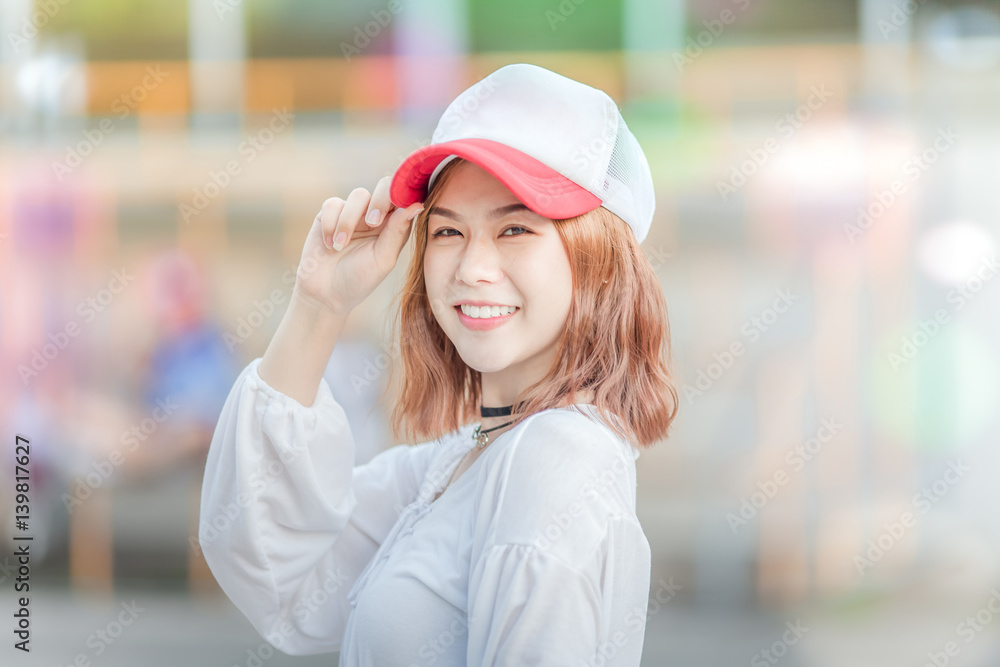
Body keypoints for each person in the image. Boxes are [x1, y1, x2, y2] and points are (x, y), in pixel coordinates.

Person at [199, 63, 679, 666]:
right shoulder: (464, 458)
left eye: (515, 229)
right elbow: (281, 576)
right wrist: (320, 305)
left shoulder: (556, 457)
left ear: (597, 257)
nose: (472, 268)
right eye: (449, 231)